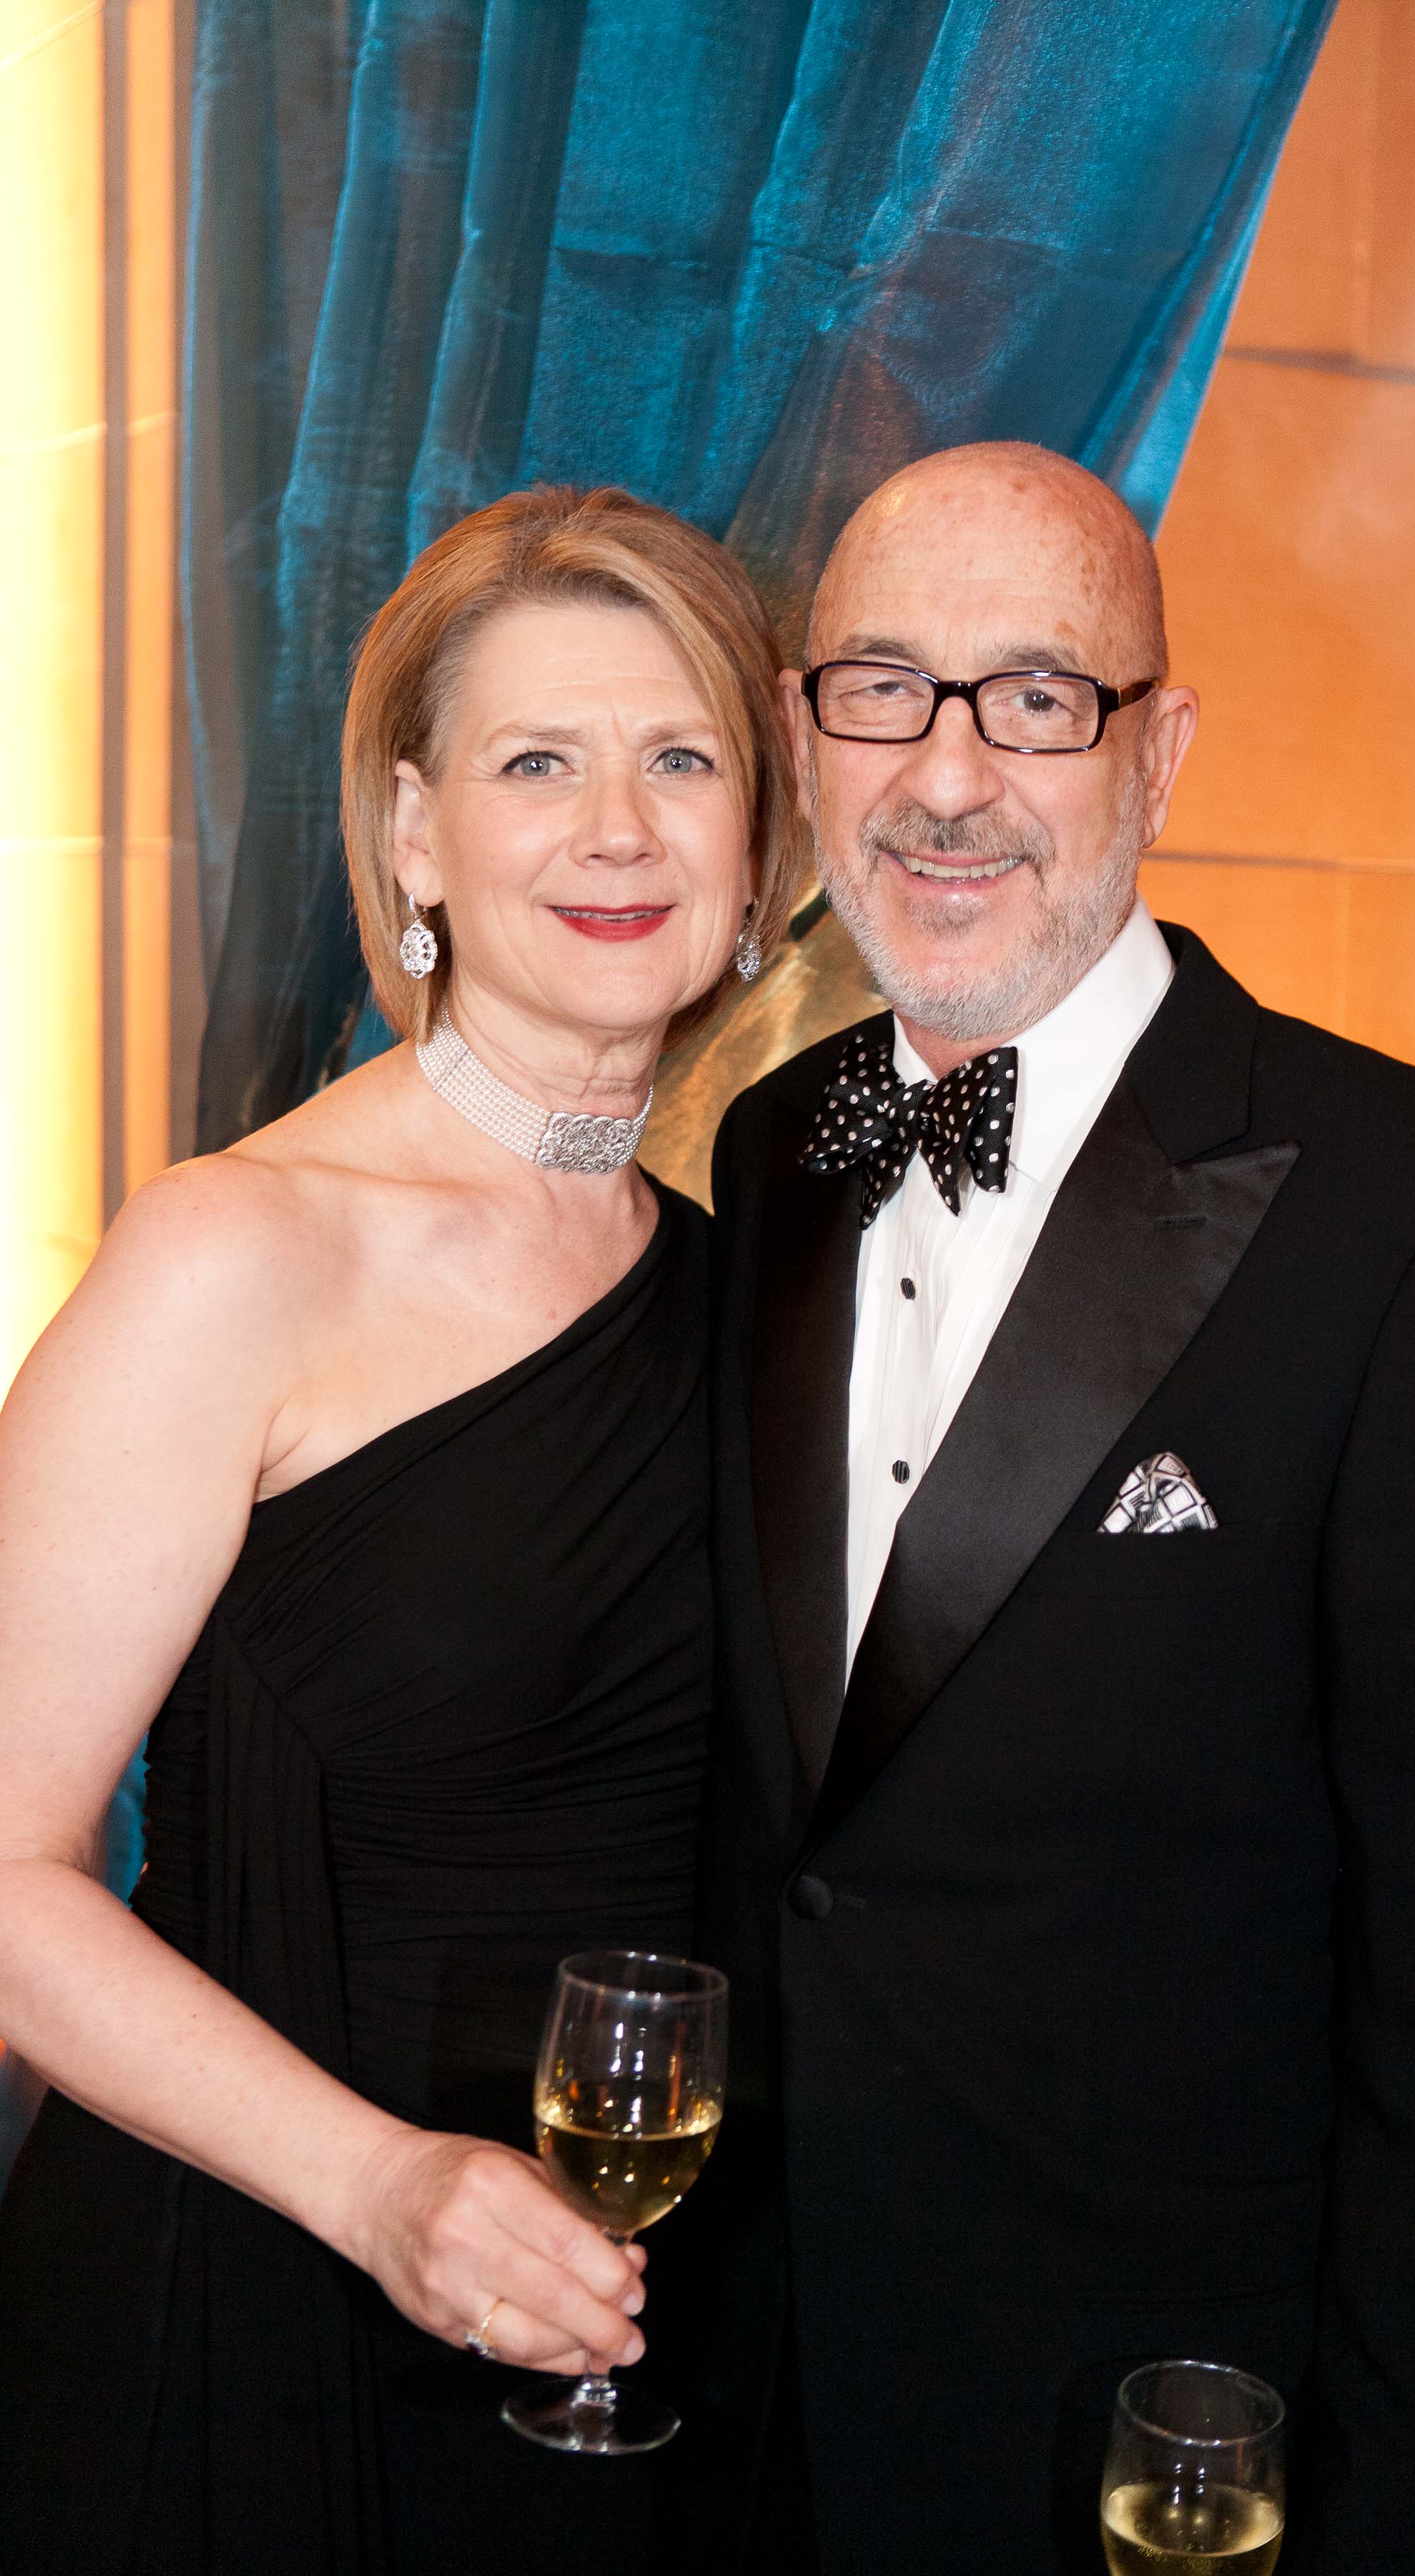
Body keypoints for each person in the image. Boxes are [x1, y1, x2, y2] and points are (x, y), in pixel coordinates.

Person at [703, 442, 1415, 2575]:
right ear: (802, 736)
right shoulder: (775, 1151)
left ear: (1161, 748)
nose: (946, 778)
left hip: (1158, 2466)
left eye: (1038, 698)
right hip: (768, 2422)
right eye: (882, 688)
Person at [0, 483, 799, 2574]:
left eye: (682, 758)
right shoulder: (233, 1249)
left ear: (756, 845)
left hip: (619, 2318)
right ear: (414, 836)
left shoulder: (747, 1290)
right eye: (537, 763)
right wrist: (381, 2189)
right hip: (253, 2310)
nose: (618, 830)